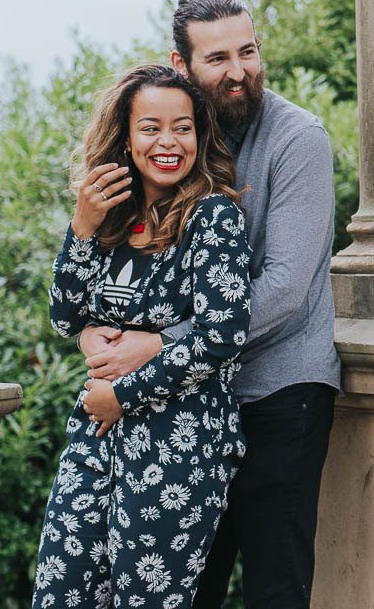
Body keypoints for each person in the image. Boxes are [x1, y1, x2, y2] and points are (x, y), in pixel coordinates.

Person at [79, 0, 341, 608]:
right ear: (181, 65)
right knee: (185, 591)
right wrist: (96, 329)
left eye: (247, 52)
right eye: (218, 58)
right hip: (189, 405)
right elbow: (121, 268)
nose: (239, 72)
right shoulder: (174, 144)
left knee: (275, 590)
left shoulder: (298, 139)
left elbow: (283, 289)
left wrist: (157, 345)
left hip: (280, 394)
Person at [32, 64, 251, 609]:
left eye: (182, 127)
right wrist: (80, 227)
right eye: (150, 127)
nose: (168, 142)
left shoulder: (213, 216)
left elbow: (222, 336)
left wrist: (119, 396)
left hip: (178, 447)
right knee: (61, 595)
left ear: (200, 137)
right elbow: (64, 317)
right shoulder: (107, 220)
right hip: (96, 441)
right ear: (126, 139)